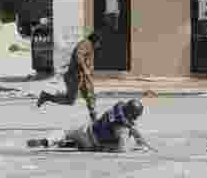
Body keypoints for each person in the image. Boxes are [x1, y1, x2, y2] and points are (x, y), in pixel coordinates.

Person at [27, 98, 155, 152]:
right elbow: (121, 149)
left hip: (86, 131)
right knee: (76, 141)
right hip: (93, 144)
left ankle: (48, 141)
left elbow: (129, 125)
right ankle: (68, 143)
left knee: (65, 132)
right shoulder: (122, 128)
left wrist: (134, 131)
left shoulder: (118, 106)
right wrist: (137, 146)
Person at [37, 32, 101, 121]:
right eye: (98, 43)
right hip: (74, 77)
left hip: (83, 77)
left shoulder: (90, 47)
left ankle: (94, 118)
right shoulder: (86, 44)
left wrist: (88, 72)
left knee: (90, 96)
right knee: (70, 100)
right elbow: (78, 55)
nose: (99, 45)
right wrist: (85, 68)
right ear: (95, 41)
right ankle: (47, 96)